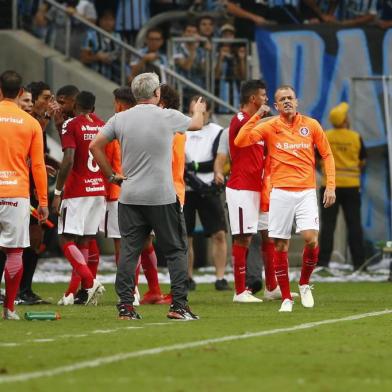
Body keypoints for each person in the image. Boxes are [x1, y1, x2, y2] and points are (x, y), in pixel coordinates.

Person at [90, 72, 206, 320]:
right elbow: (197, 124)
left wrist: (111, 176)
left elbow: (95, 146)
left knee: (129, 252)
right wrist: (198, 109)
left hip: (129, 196)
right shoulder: (166, 116)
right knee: (176, 250)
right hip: (162, 196)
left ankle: (125, 307)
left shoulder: (119, 118)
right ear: (157, 93)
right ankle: (178, 306)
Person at [235, 85, 336, 312]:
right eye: (282, 99)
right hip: (279, 192)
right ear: (276, 106)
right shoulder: (269, 126)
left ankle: (304, 284)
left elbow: (327, 154)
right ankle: (286, 298)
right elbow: (241, 141)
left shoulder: (311, 125)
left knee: (310, 238)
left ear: (297, 101)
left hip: (306, 191)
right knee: (279, 244)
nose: (287, 101)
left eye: (290, 97)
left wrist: (330, 185)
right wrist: (258, 116)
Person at [0, 70, 48, 320]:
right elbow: (38, 166)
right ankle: (9, 309)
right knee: (14, 252)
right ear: (20, 93)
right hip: (16, 194)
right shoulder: (31, 123)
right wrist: (43, 201)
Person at [51, 91, 105, 306]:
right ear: (93, 108)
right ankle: (74, 293)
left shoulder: (71, 124)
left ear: (75, 106)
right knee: (84, 240)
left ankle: (90, 282)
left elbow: (69, 158)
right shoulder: (101, 124)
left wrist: (57, 192)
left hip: (77, 191)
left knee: (65, 238)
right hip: (98, 188)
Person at [184, 96, 229, 291]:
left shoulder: (217, 132)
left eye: (200, 111)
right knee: (186, 236)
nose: (196, 115)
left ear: (208, 112)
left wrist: (192, 166)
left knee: (219, 233)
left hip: (209, 187)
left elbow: (216, 161)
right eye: (193, 111)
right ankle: (187, 277)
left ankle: (220, 277)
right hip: (185, 189)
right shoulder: (180, 130)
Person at [318, 102, 366, 271]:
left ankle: (323, 263)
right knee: (354, 225)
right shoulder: (355, 137)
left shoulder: (326, 136)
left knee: (328, 225)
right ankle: (359, 263)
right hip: (352, 186)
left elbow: (317, 159)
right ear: (345, 119)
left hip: (329, 187)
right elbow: (362, 161)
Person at [80, 9, 122, 84]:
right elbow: (84, 58)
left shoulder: (119, 37)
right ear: (100, 21)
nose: (108, 22)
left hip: (115, 80)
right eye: (105, 19)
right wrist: (97, 57)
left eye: (111, 20)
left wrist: (114, 57)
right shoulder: (91, 35)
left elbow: (124, 58)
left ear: (114, 21)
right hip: (95, 78)